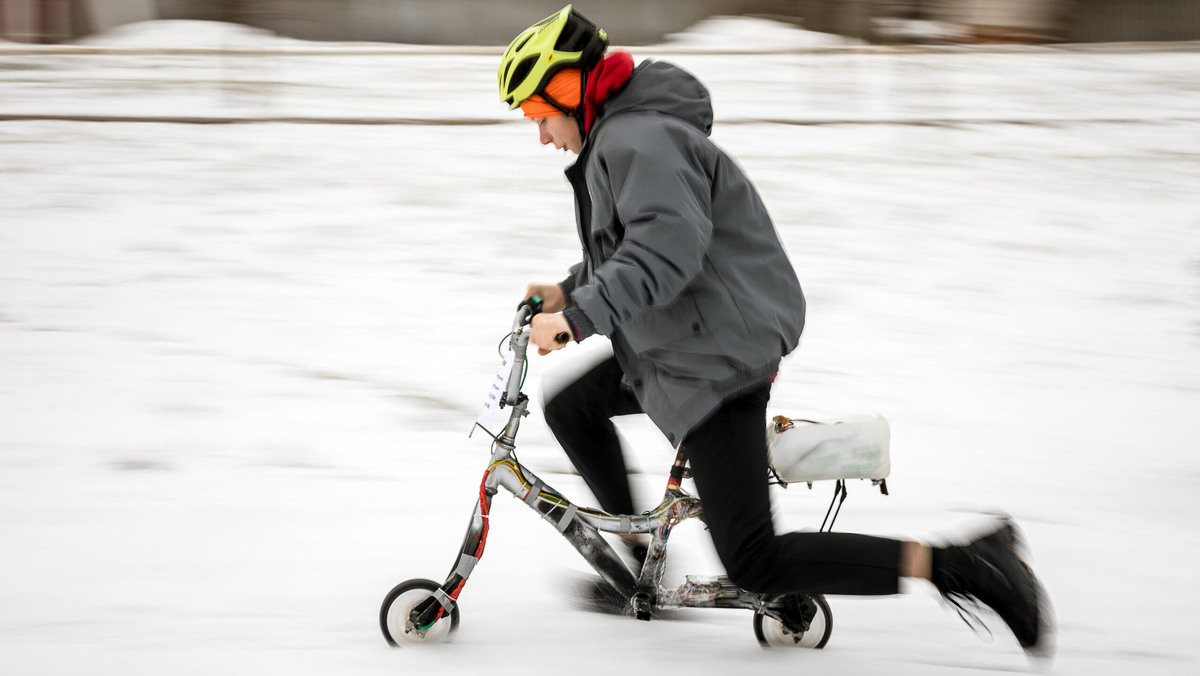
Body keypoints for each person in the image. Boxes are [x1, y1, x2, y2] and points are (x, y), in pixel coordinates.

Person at [498, 4, 1051, 657]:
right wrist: (570, 289)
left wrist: (581, 318)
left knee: (754, 560)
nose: (541, 137)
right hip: (681, 340)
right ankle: (640, 567)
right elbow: (635, 243)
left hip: (713, 356)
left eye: (539, 118)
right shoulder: (626, 136)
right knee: (576, 407)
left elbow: (665, 254)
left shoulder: (634, 140)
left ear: (568, 92)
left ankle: (964, 563)